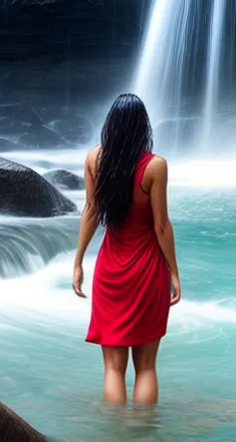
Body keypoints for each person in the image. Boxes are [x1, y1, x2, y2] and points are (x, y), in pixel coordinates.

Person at [72, 93, 181, 404]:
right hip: (147, 270)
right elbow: (161, 226)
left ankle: (115, 431)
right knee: (146, 368)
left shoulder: (94, 159)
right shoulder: (154, 167)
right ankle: (143, 431)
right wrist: (174, 273)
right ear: (143, 127)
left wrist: (78, 261)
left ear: (111, 125)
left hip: (110, 269)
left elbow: (91, 211)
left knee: (112, 369)